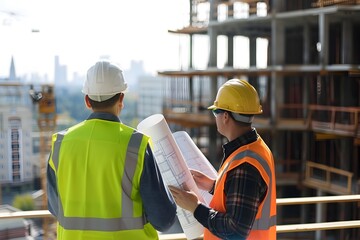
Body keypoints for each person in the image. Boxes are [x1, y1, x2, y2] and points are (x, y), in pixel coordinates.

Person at [47, 60, 176, 239]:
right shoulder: (135, 145)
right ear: (121, 98)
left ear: (86, 100)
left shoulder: (60, 144)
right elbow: (163, 219)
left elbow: (55, 207)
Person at [169, 79, 277, 240]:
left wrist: (195, 207)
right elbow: (245, 195)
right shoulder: (255, 148)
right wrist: (213, 185)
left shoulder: (245, 164)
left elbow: (235, 231)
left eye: (215, 112)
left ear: (225, 116)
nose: (215, 117)